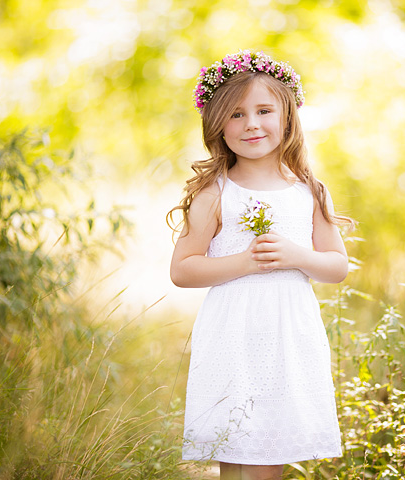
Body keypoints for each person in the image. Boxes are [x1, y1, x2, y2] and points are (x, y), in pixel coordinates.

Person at [167, 50, 355, 480]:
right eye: (235, 114)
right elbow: (182, 269)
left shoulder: (309, 191)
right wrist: (245, 261)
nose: (251, 123)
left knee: (269, 450)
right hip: (233, 336)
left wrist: (297, 256)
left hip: (288, 338)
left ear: (287, 117)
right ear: (218, 125)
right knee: (235, 450)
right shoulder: (216, 193)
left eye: (264, 110)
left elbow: (336, 265)